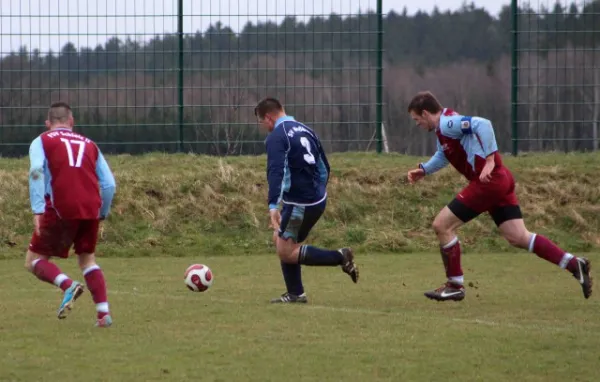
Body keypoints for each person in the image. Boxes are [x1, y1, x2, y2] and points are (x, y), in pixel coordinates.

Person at [406, 91, 592, 301]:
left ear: (425, 113)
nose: (417, 124)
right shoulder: (444, 130)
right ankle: (573, 263)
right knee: (518, 237)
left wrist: (489, 159)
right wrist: (425, 170)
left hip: (489, 182)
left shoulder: (449, 123)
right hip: (500, 180)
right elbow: (443, 154)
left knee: (442, 225)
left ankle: (455, 285)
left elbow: (483, 124)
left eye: (416, 119)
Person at [255, 97, 359, 303]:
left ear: (268, 117)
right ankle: (296, 293)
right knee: (282, 239)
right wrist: (317, 191)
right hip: (314, 198)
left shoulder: (277, 135)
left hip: (300, 203)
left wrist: (273, 205)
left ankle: (340, 256)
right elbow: (324, 167)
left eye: (261, 122)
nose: (262, 127)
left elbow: (275, 171)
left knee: (285, 251)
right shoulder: (306, 129)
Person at [25, 102, 117, 327]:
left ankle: (68, 285)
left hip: (59, 207)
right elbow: (109, 185)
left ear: (48, 124)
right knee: (87, 259)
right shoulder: (90, 144)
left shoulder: (42, 140)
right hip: (90, 208)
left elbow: (36, 171)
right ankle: (103, 314)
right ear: (71, 122)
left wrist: (38, 209)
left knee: (34, 261)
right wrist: (102, 212)